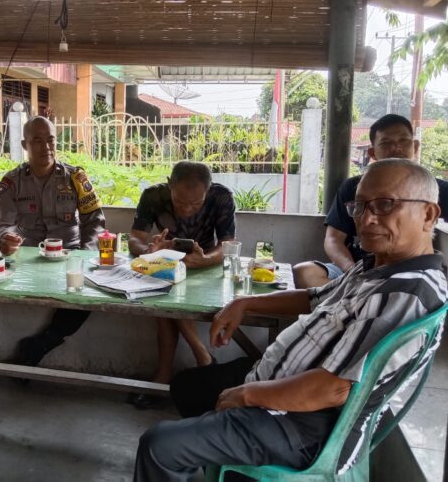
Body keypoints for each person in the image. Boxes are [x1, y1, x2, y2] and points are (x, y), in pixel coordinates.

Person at [134, 159, 446, 481]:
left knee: (160, 446)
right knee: (187, 388)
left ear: (428, 215)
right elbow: (314, 298)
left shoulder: (407, 292)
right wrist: (246, 302)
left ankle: (225, 448)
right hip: (283, 390)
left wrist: (247, 394)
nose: (366, 219)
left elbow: (332, 390)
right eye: (361, 206)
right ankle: (227, 460)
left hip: (305, 425)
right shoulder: (378, 267)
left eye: (385, 205)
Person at [0, 116, 105, 366]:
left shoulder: (76, 178)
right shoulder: (12, 183)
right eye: (37, 141)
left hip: (70, 255)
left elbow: (94, 220)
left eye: (51, 140)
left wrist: (85, 256)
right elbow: (1, 224)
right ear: (24, 145)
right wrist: (5, 239)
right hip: (27, 259)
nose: (46, 147)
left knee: (91, 294)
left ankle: (40, 345)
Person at [294, 113, 448, 288]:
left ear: (415, 146)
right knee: (305, 272)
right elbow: (333, 239)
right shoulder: (355, 186)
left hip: (405, 273)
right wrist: (352, 271)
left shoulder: (435, 189)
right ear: (372, 152)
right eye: (386, 143)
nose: (396, 148)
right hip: (355, 267)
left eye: (404, 141)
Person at [127, 161, 236, 408]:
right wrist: (150, 250)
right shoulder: (153, 196)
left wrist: (205, 259)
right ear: (169, 185)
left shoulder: (221, 197)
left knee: (166, 296)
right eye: (180, 202)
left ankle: (164, 376)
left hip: (207, 266)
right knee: (165, 288)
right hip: (165, 264)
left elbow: (228, 245)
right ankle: (203, 360)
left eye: (196, 204)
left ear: (208, 190)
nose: (187, 209)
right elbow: (135, 237)